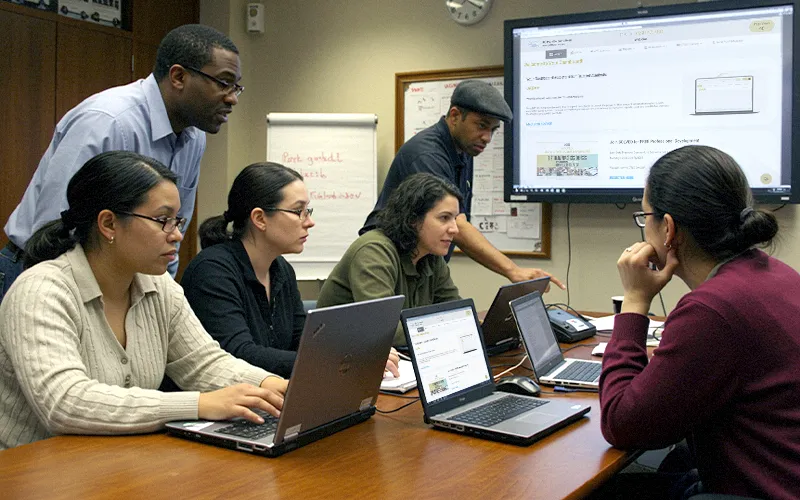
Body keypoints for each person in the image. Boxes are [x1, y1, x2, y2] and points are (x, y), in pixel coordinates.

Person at [0, 151, 287, 450]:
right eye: (163, 220)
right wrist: (198, 404)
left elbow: (203, 363)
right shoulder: (41, 291)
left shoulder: (158, 285)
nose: (176, 234)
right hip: (32, 476)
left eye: (177, 220)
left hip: (115, 464)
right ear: (109, 224)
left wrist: (270, 386)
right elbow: (64, 402)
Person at [600, 145, 800, 499]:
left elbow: (621, 423)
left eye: (644, 216)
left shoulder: (714, 309)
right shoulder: (776, 274)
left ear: (668, 228)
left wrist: (634, 302)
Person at [1, 24, 243, 302]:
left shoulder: (194, 136)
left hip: (118, 285)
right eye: (224, 83)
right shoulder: (107, 121)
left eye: (237, 87)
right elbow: (52, 229)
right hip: (42, 276)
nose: (232, 98)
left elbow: (172, 231)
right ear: (178, 76)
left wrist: (158, 299)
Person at [180, 163, 400, 378]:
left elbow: (302, 340)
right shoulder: (212, 271)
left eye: (308, 210)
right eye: (298, 211)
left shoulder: (281, 269)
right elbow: (238, 354)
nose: (310, 222)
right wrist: (339, 357)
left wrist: (358, 349)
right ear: (259, 218)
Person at [361, 80, 564, 290]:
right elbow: (457, 225)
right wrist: (513, 271)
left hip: (425, 265)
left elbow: (459, 219)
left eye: (493, 130)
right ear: (455, 116)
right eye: (482, 125)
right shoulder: (426, 154)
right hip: (388, 264)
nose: (487, 138)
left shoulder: (464, 151)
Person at [318, 173, 463, 346]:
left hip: (392, 357)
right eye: (444, 218)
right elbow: (384, 330)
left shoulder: (431, 255)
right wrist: (447, 330)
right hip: (338, 359)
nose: (454, 229)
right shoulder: (373, 251)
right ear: (412, 219)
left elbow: (456, 313)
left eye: (455, 219)